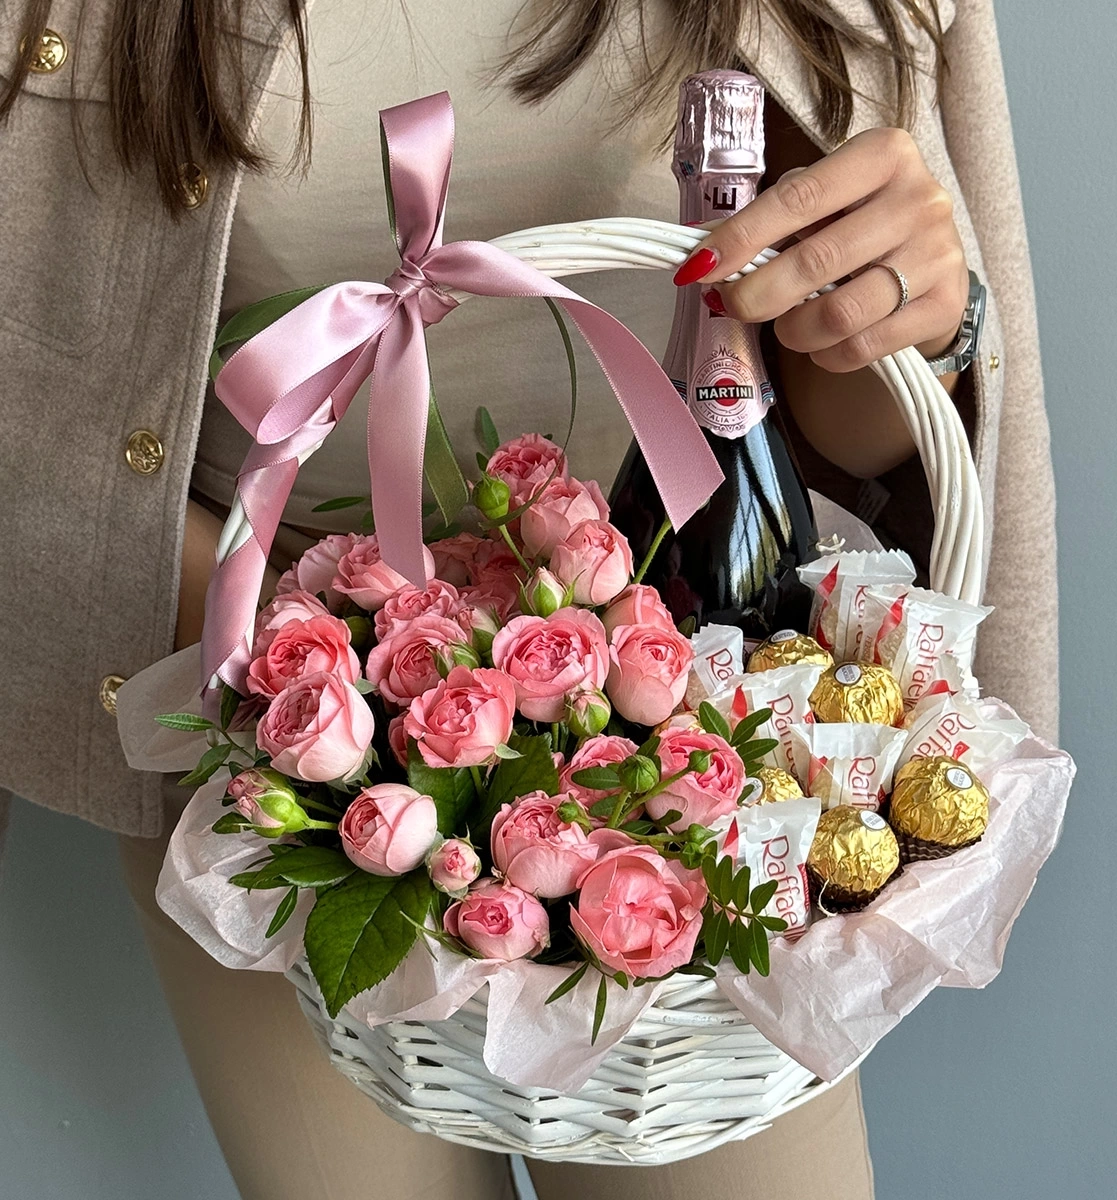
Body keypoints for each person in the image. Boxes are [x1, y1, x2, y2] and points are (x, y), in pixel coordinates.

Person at [0, 1, 1058, 1198]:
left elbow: (849, 437)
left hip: (707, 712)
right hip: (279, 732)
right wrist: (324, 665)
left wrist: (913, 314)